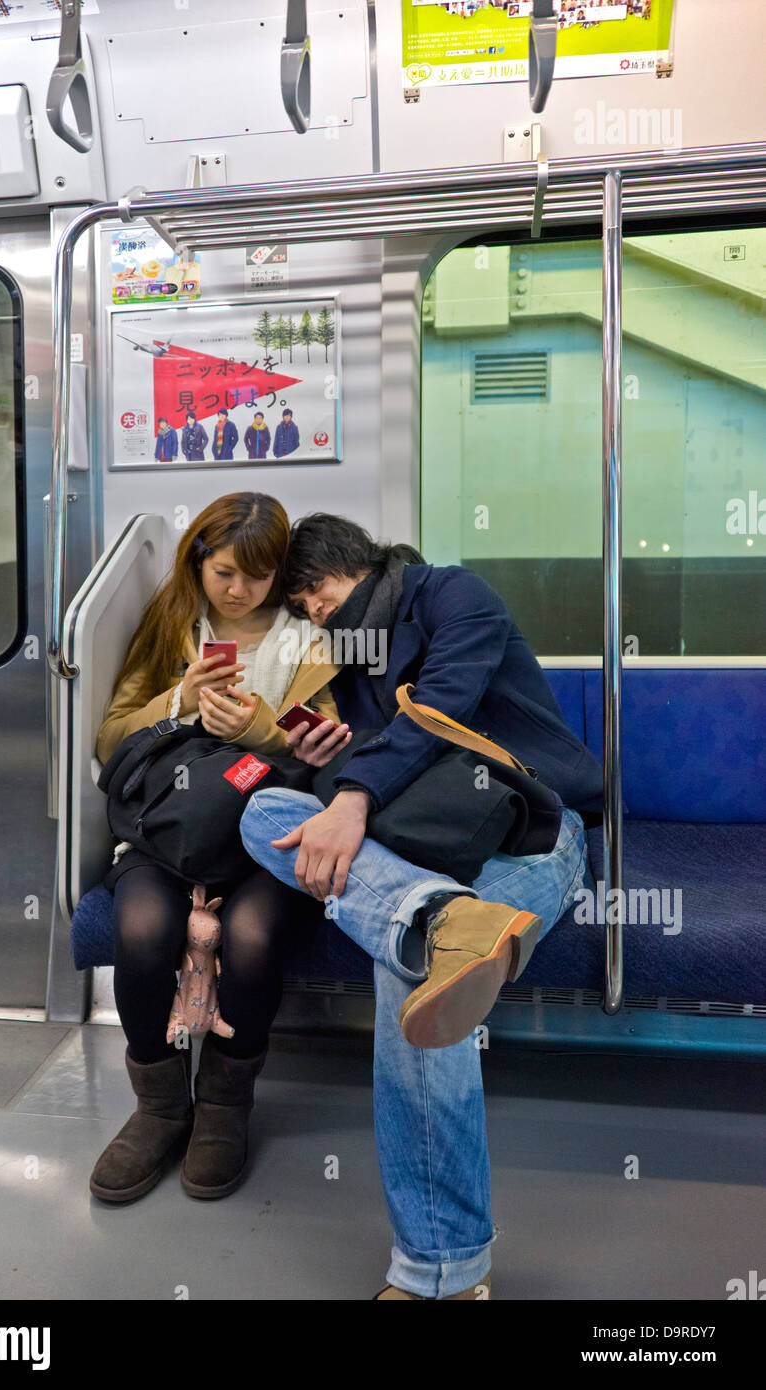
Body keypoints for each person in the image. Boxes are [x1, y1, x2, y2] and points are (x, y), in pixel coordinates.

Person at [239, 513, 603, 1299]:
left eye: (316, 594)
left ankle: (445, 1272)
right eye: (301, 608)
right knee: (260, 814)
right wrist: (330, 763)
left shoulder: (453, 596)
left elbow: (438, 712)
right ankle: (434, 915)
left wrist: (354, 793)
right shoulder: (348, 655)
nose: (313, 614)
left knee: (414, 971)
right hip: (426, 856)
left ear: (356, 564)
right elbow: (385, 767)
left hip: (528, 830)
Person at [91, 493, 341, 1206]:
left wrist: (258, 727)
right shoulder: (172, 624)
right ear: (199, 559)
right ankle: (161, 1106)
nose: (238, 591)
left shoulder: (307, 643)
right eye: (225, 572)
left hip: (262, 836)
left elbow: (318, 755)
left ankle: (225, 1105)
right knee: (140, 930)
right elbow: (110, 739)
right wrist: (178, 702)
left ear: (279, 575)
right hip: (166, 828)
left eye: (257, 578)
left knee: (253, 936)